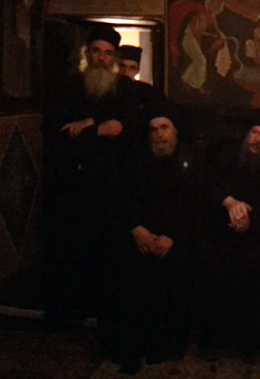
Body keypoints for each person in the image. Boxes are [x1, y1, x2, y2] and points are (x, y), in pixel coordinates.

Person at [42, 24, 139, 326]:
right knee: (73, 252)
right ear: (87, 53)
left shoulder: (123, 90)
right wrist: (98, 128)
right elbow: (58, 132)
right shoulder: (69, 87)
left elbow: (124, 130)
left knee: (106, 253)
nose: (101, 58)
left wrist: (88, 125)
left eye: (108, 53)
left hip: (109, 185)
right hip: (72, 186)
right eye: (96, 51)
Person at [103, 102, 201, 374]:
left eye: (164, 128)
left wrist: (171, 236)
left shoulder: (189, 159)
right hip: (138, 233)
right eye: (154, 129)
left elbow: (191, 204)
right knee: (126, 270)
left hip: (174, 237)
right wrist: (137, 228)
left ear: (175, 131)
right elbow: (122, 196)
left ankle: (163, 344)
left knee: (173, 271)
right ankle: (129, 347)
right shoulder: (134, 159)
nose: (160, 135)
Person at [198, 116, 260, 356]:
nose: (258, 140)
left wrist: (248, 220)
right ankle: (212, 339)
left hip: (255, 232)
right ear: (246, 134)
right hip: (220, 227)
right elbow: (208, 185)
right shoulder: (225, 154)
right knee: (211, 259)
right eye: (255, 133)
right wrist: (229, 202)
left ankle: (250, 341)